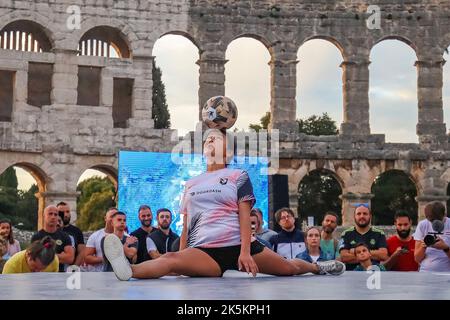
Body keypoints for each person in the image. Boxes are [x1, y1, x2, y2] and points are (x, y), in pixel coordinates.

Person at [103, 126, 345, 281]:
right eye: (208, 140)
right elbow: (187, 224)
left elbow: (244, 215)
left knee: (288, 269)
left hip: (240, 245)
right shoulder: (191, 184)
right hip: (205, 250)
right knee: (169, 260)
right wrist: (183, 254)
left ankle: (317, 268)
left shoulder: (238, 176)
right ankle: (128, 269)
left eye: (216, 140)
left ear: (228, 151)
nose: (210, 142)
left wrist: (245, 252)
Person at [339, 204, 388, 270]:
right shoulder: (346, 234)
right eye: (358, 214)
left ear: (370, 216)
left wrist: (355, 252)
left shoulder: (379, 233)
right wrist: (372, 254)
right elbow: (344, 257)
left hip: (373, 274)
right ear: (354, 216)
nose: (362, 216)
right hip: (352, 275)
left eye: (365, 214)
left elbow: (383, 255)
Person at [31, 205, 74, 272]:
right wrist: (60, 256)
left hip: (59, 276)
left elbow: (70, 258)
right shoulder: (36, 237)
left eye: (55, 214)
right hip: (40, 276)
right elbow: (33, 259)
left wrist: (44, 255)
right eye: (50, 214)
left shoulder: (65, 236)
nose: (53, 217)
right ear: (44, 216)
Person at [414, 201, 450, 272]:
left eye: (437, 220)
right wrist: (424, 246)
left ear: (444, 214)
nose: (434, 224)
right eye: (431, 220)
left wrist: (445, 248)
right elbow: (417, 259)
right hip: (425, 273)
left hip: (446, 273)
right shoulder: (422, 225)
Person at [84, 207, 117, 272]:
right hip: (100, 275)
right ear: (105, 218)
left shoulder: (126, 236)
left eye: (116, 217)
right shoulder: (95, 236)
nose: (113, 219)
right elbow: (86, 258)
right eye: (111, 216)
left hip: (119, 275)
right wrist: (105, 259)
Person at [57, 202, 85, 266]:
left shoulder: (77, 231)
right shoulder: (52, 230)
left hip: (71, 269)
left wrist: (73, 268)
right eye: (62, 212)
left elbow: (82, 252)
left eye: (67, 211)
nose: (65, 214)